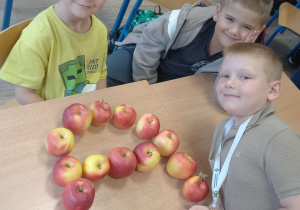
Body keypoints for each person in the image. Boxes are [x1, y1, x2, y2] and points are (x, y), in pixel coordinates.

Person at [190, 42, 300, 210]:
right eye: (225, 75)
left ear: (272, 90)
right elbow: (223, 182)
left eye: (244, 77)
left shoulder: (281, 141)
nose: (229, 83)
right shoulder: (223, 129)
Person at [106, 0, 273, 87]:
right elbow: (149, 42)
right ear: (217, 12)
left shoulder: (248, 57)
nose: (235, 31)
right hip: (141, 59)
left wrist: (238, 58)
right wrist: (147, 86)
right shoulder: (188, 19)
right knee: (103, 78)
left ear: (257, 31)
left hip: (181, 84)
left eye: (246, 27)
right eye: (229, 19)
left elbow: (224, 92)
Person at [0, 0, 108, 105]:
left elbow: (100, 76)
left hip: (85, 111)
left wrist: (99, 106)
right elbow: (24, 95)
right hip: (46, 113)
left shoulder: (101, 30)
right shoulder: (37, 36)